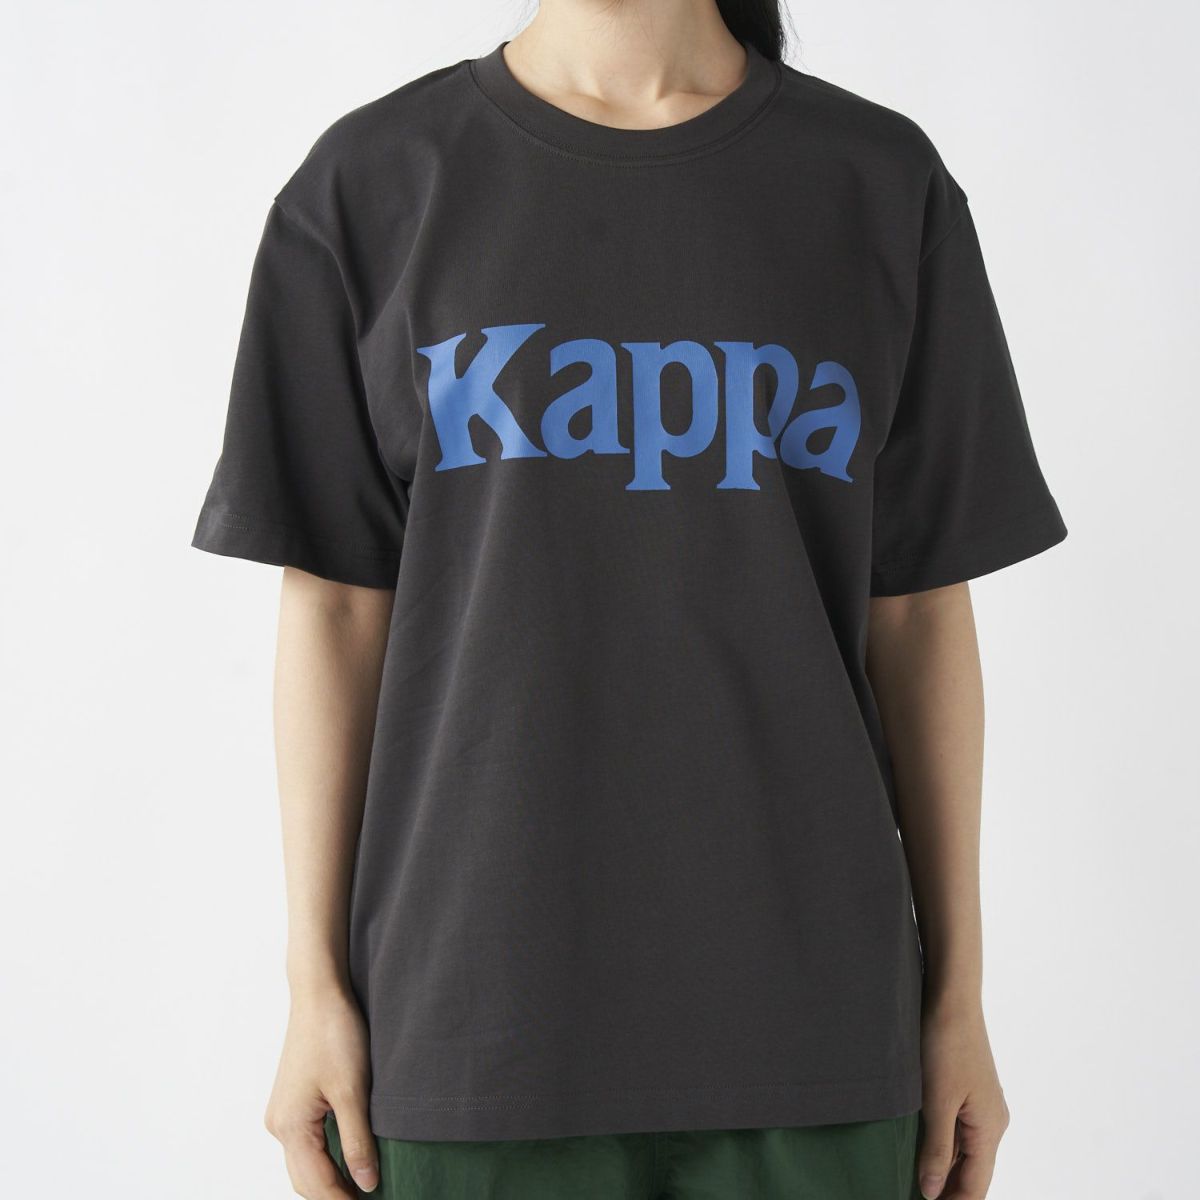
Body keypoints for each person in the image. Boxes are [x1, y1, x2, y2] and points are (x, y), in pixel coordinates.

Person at [190, 0, 1068, 1196]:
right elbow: (336, 611)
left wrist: (959, 999)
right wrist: (313, 991)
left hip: (813, 1028)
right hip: (472, 1025)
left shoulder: (876, 182)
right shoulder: (371, 183)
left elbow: (916, 613)